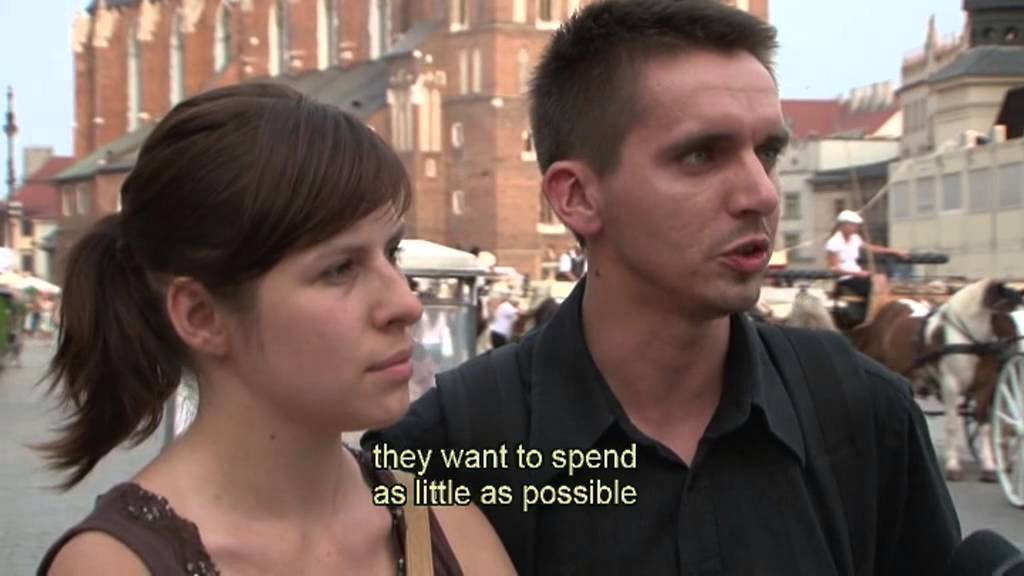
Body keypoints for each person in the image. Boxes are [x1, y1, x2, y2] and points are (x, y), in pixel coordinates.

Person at [365, 0, 960, 574]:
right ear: (577, 196)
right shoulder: (443, 450)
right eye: (701, 156)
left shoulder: (863, 414)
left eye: (767, 152)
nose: (761, 194)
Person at [37, 83, 513, 576]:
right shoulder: (115, 566)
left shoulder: (441, 522)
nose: (406, 303)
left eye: (391, 253)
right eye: (339, 269)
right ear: (201, 317)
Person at [826, 209, 910, 301]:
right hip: (846, 279)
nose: (856, 228)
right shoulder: (833, 243)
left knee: (882, 281)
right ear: (843, 225)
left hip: (859, 275)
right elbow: (835, 269)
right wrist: (857, 273)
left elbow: (871, 248)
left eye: (856, 225)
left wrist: (895, 251)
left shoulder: (855, 238)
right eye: (853, 225)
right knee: (874, 290)